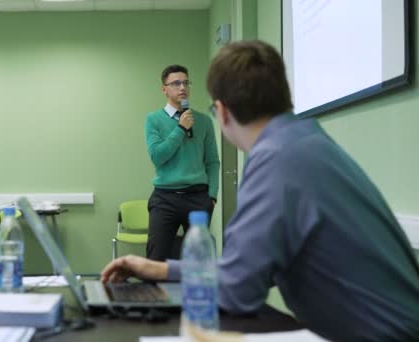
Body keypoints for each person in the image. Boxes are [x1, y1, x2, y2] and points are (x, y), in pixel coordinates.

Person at [102, 41, 419, 341]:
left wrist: (163, 271)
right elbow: (241, 272)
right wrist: (160, 268)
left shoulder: (274, 160)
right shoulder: (308, 142)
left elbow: (237, 290)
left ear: (222, 112)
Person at [145, 64, 220, 261]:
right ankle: (154, 293)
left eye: (186, 82)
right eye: (176, 83)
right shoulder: (153, 120)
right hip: (164, 198)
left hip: (198, 197)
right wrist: (180, 129)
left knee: (198, 261)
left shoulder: (204, 121)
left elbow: (212, 161)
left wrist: (212, 196)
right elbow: (158, 156)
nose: (182, 88)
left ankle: (192, 293)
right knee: (156, 257)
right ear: (164, 89)